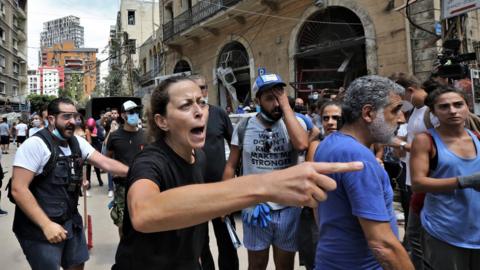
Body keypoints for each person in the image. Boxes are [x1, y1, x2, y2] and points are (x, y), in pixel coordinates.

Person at [112, 76, 363, 269]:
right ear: (162, 121)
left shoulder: (196, 155)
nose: (200, 111)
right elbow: (144, 213)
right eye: (186, 105)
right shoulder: (149, 162)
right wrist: (263, 186)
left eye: (201, 102)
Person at [10, 97, 128, 270]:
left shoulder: (77, 142)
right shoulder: (35, 145)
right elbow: (18, 189)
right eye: (66, 117)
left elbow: (106, 163)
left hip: (70, 221)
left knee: (77, 264)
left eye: (74, 116)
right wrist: (46, 225)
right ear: (51, 119)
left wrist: (139, 173)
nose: (73, 121)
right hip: (38, 228)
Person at [313, 75, 413, 269]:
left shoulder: (329, 144)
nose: (401, 119)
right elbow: (383, 245)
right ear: (368, 113)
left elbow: (319, 210)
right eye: (395, 110)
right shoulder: (359, 158)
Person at [222, 73, 309, 270]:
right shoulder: (244, 126)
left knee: (285, 265)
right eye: (270, 98)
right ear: (257, 100)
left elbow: (302, 144)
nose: (276, 103)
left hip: (288, 208)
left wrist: (286, 107)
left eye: (279, 97)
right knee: (257, 264)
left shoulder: (296, 124)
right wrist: (226, 201)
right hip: (256, 208)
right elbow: (230, 165)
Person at [410, 85, 480, 270]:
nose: (453, 111)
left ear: (467, 106)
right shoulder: (425, 140)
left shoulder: (477, 137)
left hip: (476, 227)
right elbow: (418, 183)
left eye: (458, 105)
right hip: (444, 230)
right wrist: (466, 181)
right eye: (444, 107)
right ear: (433, 111)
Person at [188, 74, 238, 270]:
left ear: (207, 90)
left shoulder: (219, 114)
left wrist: (232, 175)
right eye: (194, 88)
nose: (200, 92)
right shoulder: (185, 118)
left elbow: (235, 145)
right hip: (194, 189)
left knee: (226, 239)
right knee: (200, 242)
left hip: (220, 189)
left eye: (202, 88)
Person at [299, 100, 342, 270]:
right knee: (316, 260)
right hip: (317, 212)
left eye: (335, 117)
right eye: (326, 118)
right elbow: (312, 178)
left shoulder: (355, 144)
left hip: (344, 212)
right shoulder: (316, 145)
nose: (330, 122)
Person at [106, 100, 146, 238]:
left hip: (144, 186)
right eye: (131, 112)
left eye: (136, 111)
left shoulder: (145, 135)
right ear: (123, 115)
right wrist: (115, 172)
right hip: (122, 187)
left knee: (144, 221)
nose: (135, 115)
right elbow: (108, 158)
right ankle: (125, 251)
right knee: (122, 222)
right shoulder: (115, 136)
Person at [85, 118, 104, 193]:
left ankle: (95, 181)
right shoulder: (93, 129)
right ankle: (99, 181)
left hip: (92, 150)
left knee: (91, 167)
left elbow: (89, 142)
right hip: (95, 150)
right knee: (92, 167)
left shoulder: (92, 130)